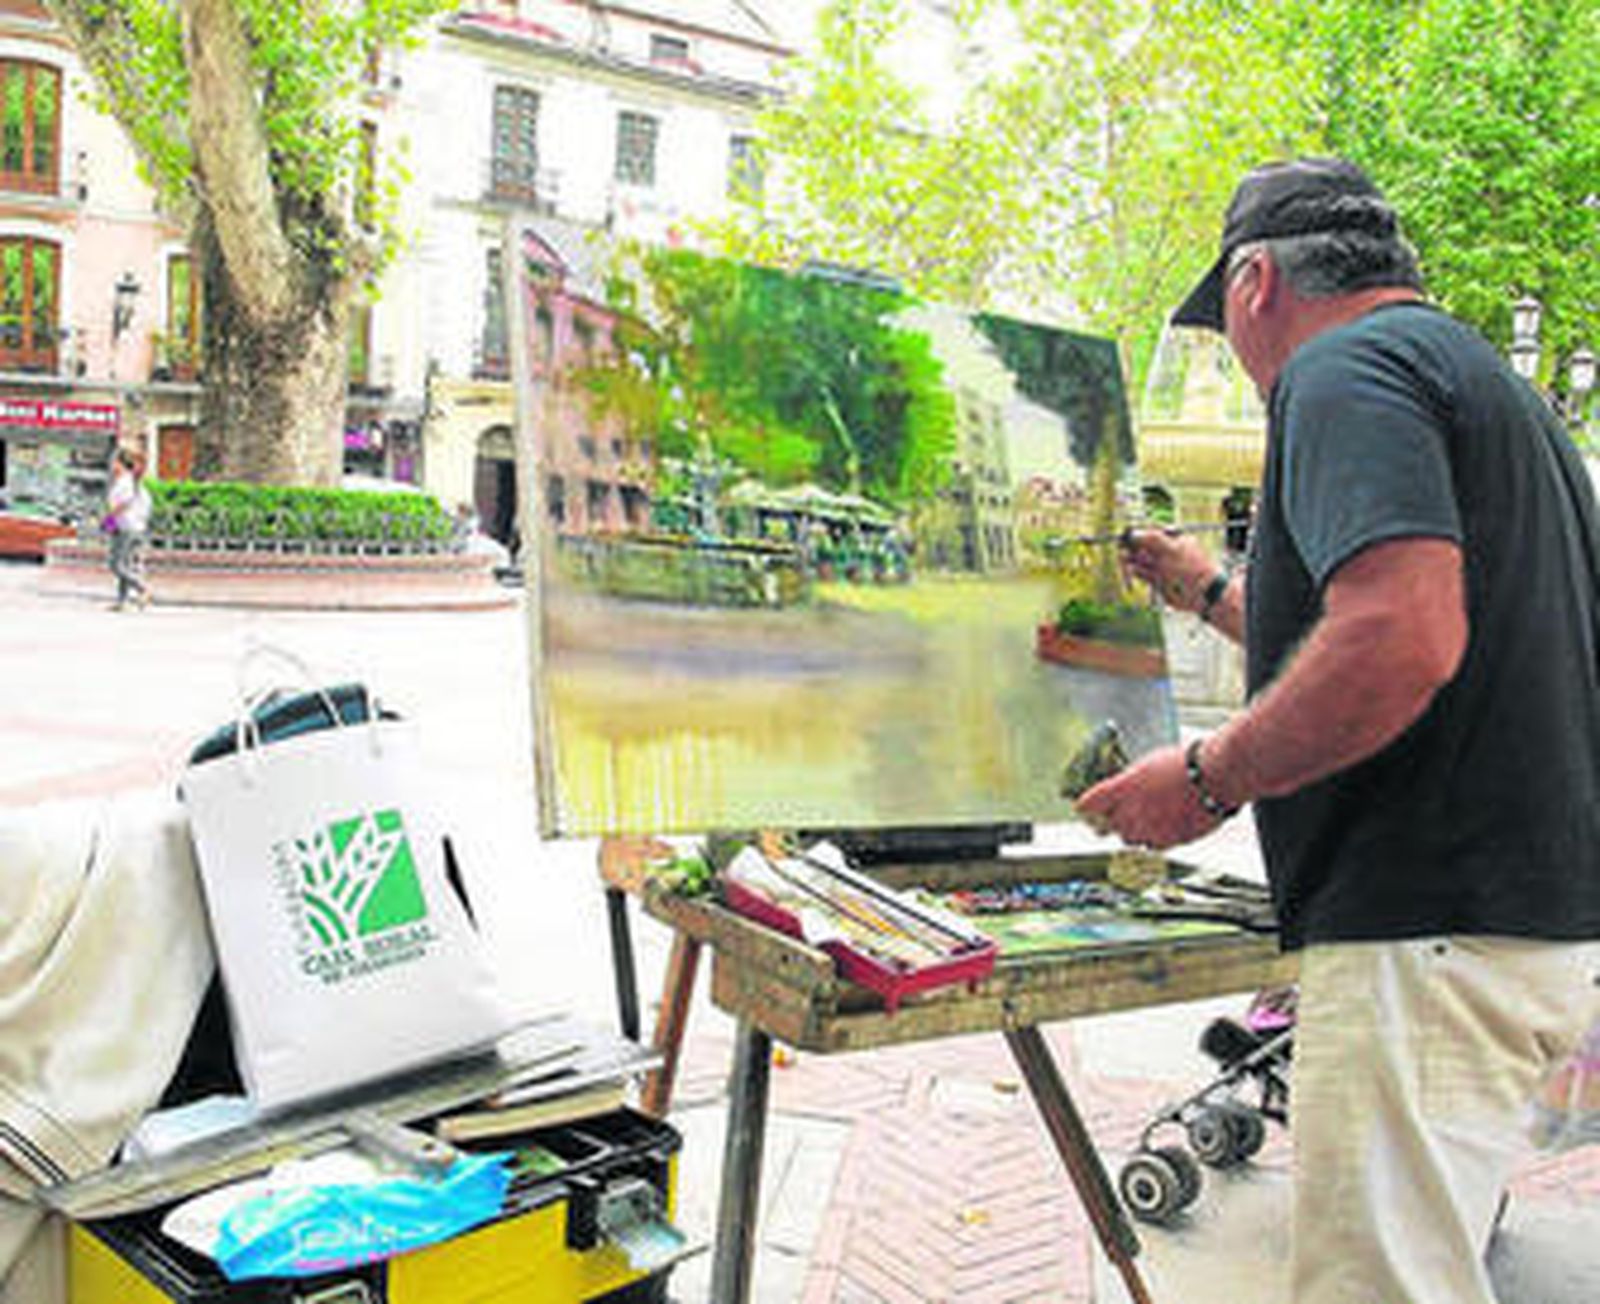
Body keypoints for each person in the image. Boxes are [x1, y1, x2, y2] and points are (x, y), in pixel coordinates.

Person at [1078, 158, 1600, 1303]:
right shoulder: (1497, 394)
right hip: (1518, 929)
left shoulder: (1339, 371)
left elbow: (1402, 637)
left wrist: (1207, 778)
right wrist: (1210, 590)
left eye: (1228, 326)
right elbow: (1397, 623)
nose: (1244, 358)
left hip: (1428, 929)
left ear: (1256, 281)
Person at [104, 446, 152, 610]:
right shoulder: (134, 483)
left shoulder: (126, 482)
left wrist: (109, 521)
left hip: (126, 528)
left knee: (115, 565)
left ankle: (142, 588)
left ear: (120, 464)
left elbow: (122, 505)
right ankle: (122, 601)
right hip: (133, 527)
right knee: (124, 563)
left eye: (114, 463)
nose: (112, 467)